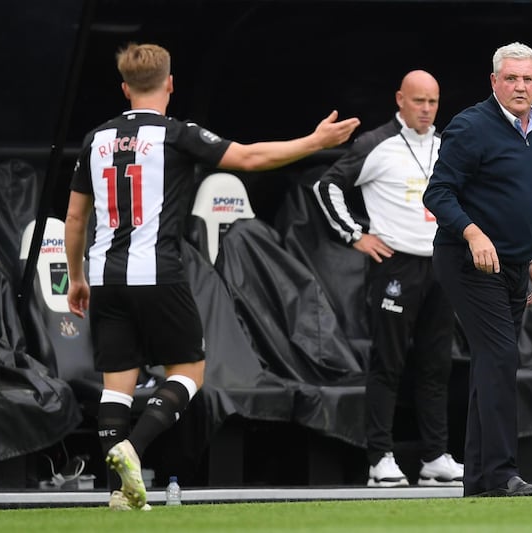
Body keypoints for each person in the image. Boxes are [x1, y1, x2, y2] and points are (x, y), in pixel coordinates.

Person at [64, 42, 360, 510]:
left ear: (124, 88)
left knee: (115, 385)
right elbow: (249, 158)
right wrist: (314, 142)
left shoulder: (95, 140)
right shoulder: (176, 134)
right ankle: (134, 450)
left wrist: (77, 277)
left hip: (105, 276)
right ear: (171, 84)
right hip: (159, 273)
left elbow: (75, 220)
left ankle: (119, 492)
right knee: (189, 371)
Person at [312, 70, 463, 488]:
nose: (427, 110)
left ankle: (435, 456)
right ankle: (380, 457)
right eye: (419, 101)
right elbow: (327, 187)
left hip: (441, 266)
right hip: (395, 266)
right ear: (400, 99)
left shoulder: (446, 145)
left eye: (433, 102)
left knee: (437, 366)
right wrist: (355, 235)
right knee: (388, 364)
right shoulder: (376, 143)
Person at [422, 42, 532, 497]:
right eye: (511, 78)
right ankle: (500, 475)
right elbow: (437, 194)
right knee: (500, 359)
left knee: (491, 365)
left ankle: (479, 482)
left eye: (527, 79)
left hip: (517, 264)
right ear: (493, 81)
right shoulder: (471, 126)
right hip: (468, 260)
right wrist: (473, 233)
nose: (520, 86)